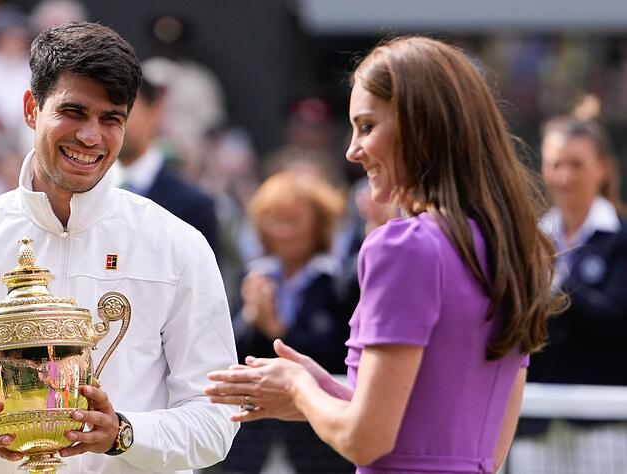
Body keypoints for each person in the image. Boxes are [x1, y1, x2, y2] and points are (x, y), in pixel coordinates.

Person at [206, 36, 562, 474]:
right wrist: (323, 392)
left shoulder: (405, 247)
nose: (352, 150)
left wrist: (300, 387)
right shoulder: (513, 247)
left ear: (422, 126)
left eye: (368, 126)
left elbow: (366, 441)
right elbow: (465, 443)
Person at [0, 22, 238, 474]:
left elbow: (216, 419)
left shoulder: (177, 246)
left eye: (110, 118)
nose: (90, 136)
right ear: (31, 108)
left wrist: (124, 434)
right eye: (73, 112)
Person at [511, 108, 627, 473]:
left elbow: (614, 322)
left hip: (602, 425)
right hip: (534, 422)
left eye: (576, 164)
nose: (564, 176)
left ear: (603, 168)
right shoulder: (532, 241)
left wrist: (554, 282)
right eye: (555, 163)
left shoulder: (621, 239)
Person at [221, 170, 354, 473]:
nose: (282, 231)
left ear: (318, 224)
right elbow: (230, 353)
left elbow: (341, 357)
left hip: (318, 443)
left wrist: (280, 333)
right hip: (256, 442)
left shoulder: (338, 283)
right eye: (273, 219)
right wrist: (251, 319)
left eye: (293, 220)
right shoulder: (255, 277)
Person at [114, 75, 218, 252]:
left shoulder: (193, 204)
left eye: (125, 109)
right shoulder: (83, 190)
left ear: (154, 111)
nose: (113, 121)